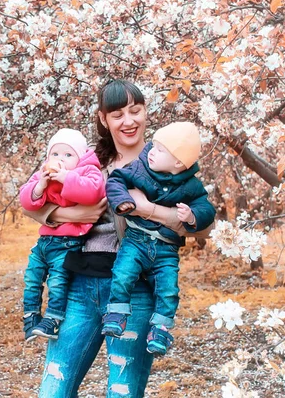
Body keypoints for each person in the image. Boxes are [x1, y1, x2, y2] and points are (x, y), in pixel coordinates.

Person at [24, 80, 213, 397]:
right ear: (103, 119)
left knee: (122, 392)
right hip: (79, 289)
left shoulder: (167, 162)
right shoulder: (87, 159)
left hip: (134, 292)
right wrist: (70, 216)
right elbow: (33, 200)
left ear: (145, 112)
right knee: (53, 390)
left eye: (135, 111)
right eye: (117, 114)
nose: (128, 121)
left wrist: (149, 209)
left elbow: (202, 226)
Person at [101, 122, 216, 357]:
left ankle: (161, 329)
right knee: (122, 273)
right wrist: (122, 200)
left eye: (160, 150)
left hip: (166, 248)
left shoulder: (191, 186)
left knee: (168, 289)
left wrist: (192, 216)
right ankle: (116, 313)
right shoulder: (140, 168)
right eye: (154, 145)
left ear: (178, 163)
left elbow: (207, 209)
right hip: (136, 238)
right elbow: (115, 180)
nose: (152, 151)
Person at [20, 128, 105, 342]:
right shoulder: (44, 175)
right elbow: (26, 201)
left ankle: (53, 319)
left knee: (58, 281)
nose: (61, 160)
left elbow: (93, 192)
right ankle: (31, 317)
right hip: (44, 241)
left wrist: (67, 177)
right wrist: (40, 185)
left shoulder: (88, 171)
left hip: (68, 243)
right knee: (32, 277)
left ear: (80, 157)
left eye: (68, 155)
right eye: (55, 154)